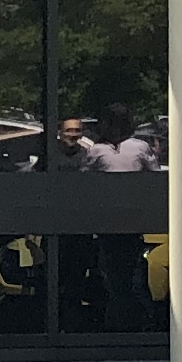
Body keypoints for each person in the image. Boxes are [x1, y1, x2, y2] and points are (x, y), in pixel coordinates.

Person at [63, 104, 156, 332]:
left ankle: (123, 321)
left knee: (118, 275)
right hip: (122, 220)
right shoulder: (113, 150)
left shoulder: (106, 150)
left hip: (119, 220)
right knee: (125, 274)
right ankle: (131, 321)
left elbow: (84, 182)